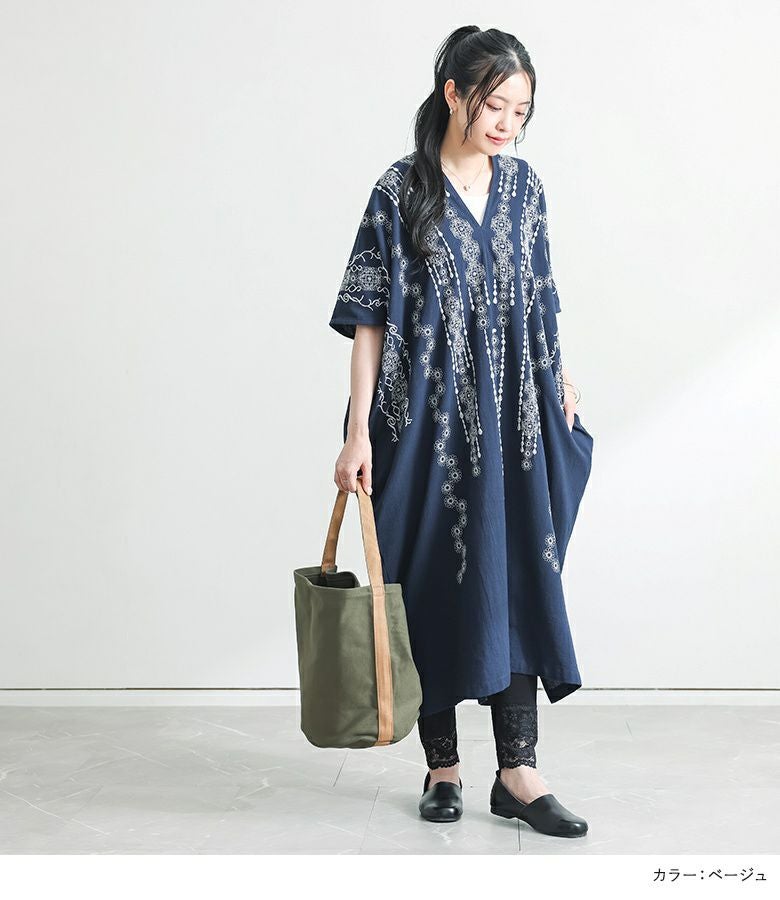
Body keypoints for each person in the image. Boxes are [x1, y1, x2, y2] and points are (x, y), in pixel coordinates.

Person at [329, 26, 593, 838]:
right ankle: (441, 767)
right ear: (453, 93)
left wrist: (562, 375)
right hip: (421, 424)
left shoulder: (525, 189)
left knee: (516, 573)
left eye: (521, 109)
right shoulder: (399, 189)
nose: (508, 122)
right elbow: (369, 317)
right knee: (430, 578)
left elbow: (540, 294)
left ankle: (518, 772)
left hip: (515, 418)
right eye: (495, 104)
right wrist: (358, 432)